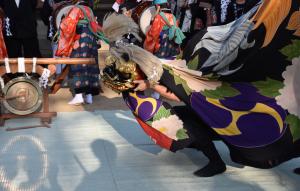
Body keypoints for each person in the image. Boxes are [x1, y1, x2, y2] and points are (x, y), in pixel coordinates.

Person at [106, 0, 300, 176]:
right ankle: (220, 152)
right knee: (203, 118)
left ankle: (216, 161)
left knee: (193, 122)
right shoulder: (173, 32)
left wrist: (154, 81)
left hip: (207, 77)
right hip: (195, 74)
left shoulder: (173, 43)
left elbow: (175, 89)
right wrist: (151, 82)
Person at [55, 0, 105, 105]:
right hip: (91, 42)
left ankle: (78, 96)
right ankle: (89, 96)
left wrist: (62, 22)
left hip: (80, 41)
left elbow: (67, 26)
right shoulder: (89, 10)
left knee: (79, 67)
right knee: (90, 67)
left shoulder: (75, 9)